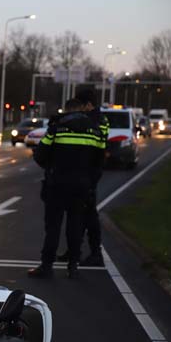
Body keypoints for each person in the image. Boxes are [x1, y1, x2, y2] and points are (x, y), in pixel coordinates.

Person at [29, 98, 105, 278]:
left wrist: (51, 168)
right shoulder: (95, 130)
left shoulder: (57, 127)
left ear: (68, 110)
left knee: (53, 226)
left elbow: (40, 154)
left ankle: (47, 266)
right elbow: (100, 161)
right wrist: (90, 181)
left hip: (57, 184)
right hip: (81, 186)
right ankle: (73, 266)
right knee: (76, 225)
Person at [56, 90, 109, 266]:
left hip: (89, 174)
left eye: (81, 105)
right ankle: (73, 251)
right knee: (77, 216)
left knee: (90, 217)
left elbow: (99, 149)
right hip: (85, 174)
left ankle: (95, 253)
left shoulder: (98, 121)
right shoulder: (92, 119)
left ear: (87, 105)